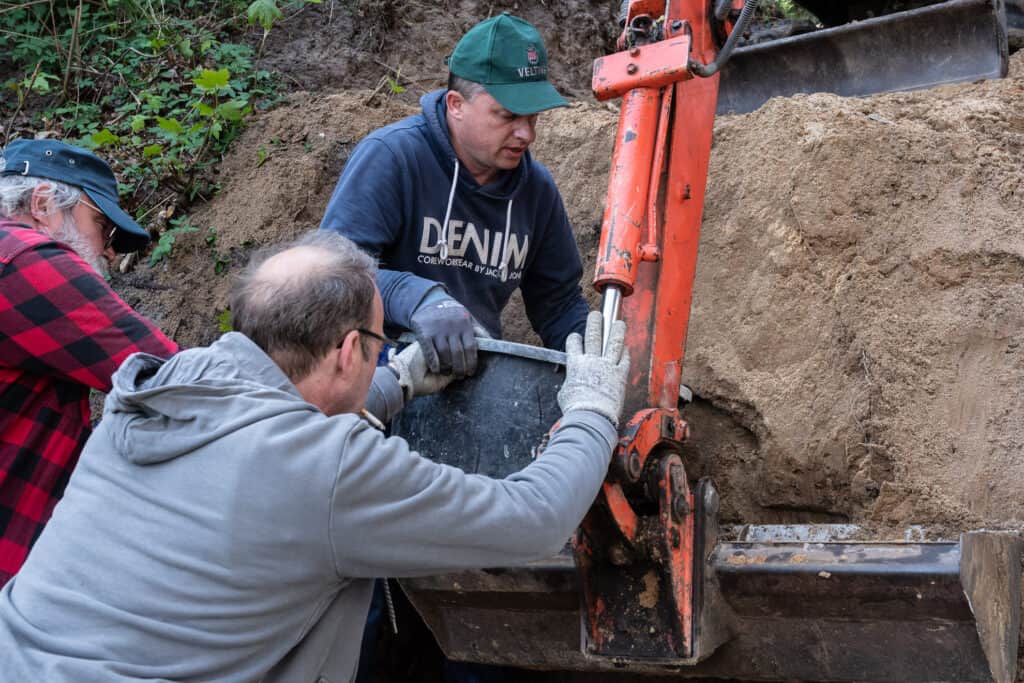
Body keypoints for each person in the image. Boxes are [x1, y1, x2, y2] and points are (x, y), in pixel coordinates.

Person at [0, 230, 630, 683]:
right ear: (349, 349)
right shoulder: (330, 469)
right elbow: (533, 518)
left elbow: (271, 424)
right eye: (380, 347)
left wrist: (399, 381)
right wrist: (592, 410)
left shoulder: (160, 391)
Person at [320, 12, 589, 379]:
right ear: (456, 105)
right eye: (508, 116)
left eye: (533, 118)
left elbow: (558, 304)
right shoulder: (393, 157)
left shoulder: (536, 191)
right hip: (376, 374)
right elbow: (331, 273)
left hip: (470, 382)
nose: (526, 134)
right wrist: (419, 298)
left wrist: (593, 360)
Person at [0, 139, 178, 585]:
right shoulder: (23, 259)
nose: (110, 251)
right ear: (43, 204)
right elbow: (171, 378)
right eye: (102, 226)